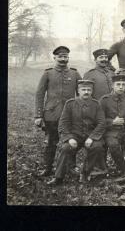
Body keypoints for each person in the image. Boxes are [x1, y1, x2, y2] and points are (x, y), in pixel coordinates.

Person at [35, 46, 82, 177]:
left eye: (65, 57)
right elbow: (39, 94)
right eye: (60, 57)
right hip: (51, 115)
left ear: (68, 58)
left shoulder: (74, 73)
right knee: (51, 142)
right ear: (54, 57)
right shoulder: (48, 73)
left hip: (70, 116)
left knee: (71, 141)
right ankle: (47, 168)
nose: (63, 59)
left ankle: (71, 167)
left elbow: (82, 93)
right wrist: (38, 115)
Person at [48, 80, 106, 185]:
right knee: (65, 148)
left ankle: (85, 173)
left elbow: (101, 123)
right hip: (74, 136)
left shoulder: (96, 104)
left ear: (92, 91)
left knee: (97, 147)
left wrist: (92, 137)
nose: (86, 92)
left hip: (90, 136)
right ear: (78, 91)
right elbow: (63, 123)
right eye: (83, 89)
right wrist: (69, 138)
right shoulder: (70, 104)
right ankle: (58, 177)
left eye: (89, 90)